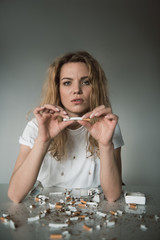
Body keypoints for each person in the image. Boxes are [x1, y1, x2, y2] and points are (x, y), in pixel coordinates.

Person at [8, 51, 124, 203]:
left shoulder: (108, 126)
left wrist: (105, 144)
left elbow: (113, 195)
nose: (77, 90)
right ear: (57, 88)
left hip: (91, 212)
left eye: (86, 82)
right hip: (46, 211)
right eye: (67, 82)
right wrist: (43, 140)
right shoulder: (37, 126)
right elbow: (15, 195)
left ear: (96, 87)